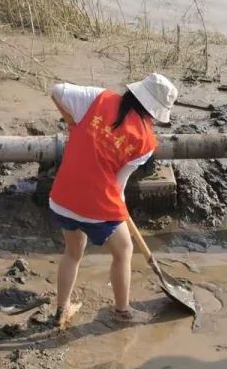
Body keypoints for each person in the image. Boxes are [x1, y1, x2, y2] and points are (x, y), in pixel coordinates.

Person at [48, 73, 178, 328]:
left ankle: (61, 310)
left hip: (62, 196)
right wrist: (120, 207)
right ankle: (122, 311)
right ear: (153, 111)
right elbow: (118, 187)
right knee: (124, 251)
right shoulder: (146, 142)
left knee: (73, 252)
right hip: (97, 205)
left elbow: (57, 90)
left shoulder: (97, 98)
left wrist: (72, 122)